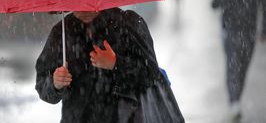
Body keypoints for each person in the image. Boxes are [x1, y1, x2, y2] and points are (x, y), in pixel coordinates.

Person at [35, 7, 184, 123]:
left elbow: (151, 75)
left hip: (126, 117)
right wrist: (54, 84)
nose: (84, 9)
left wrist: (116, 63)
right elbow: (42, 86)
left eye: (89, 1)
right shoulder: (60, 32)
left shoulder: (127, 23)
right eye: (78, 4)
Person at [212, 0, 266, 122]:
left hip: (249, 33)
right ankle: (234, 103)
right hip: (230, 31)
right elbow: (214, 4)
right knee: (233, 65)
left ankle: (236, 99)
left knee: (243, 67)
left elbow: (265, 6)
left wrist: (263, 30)